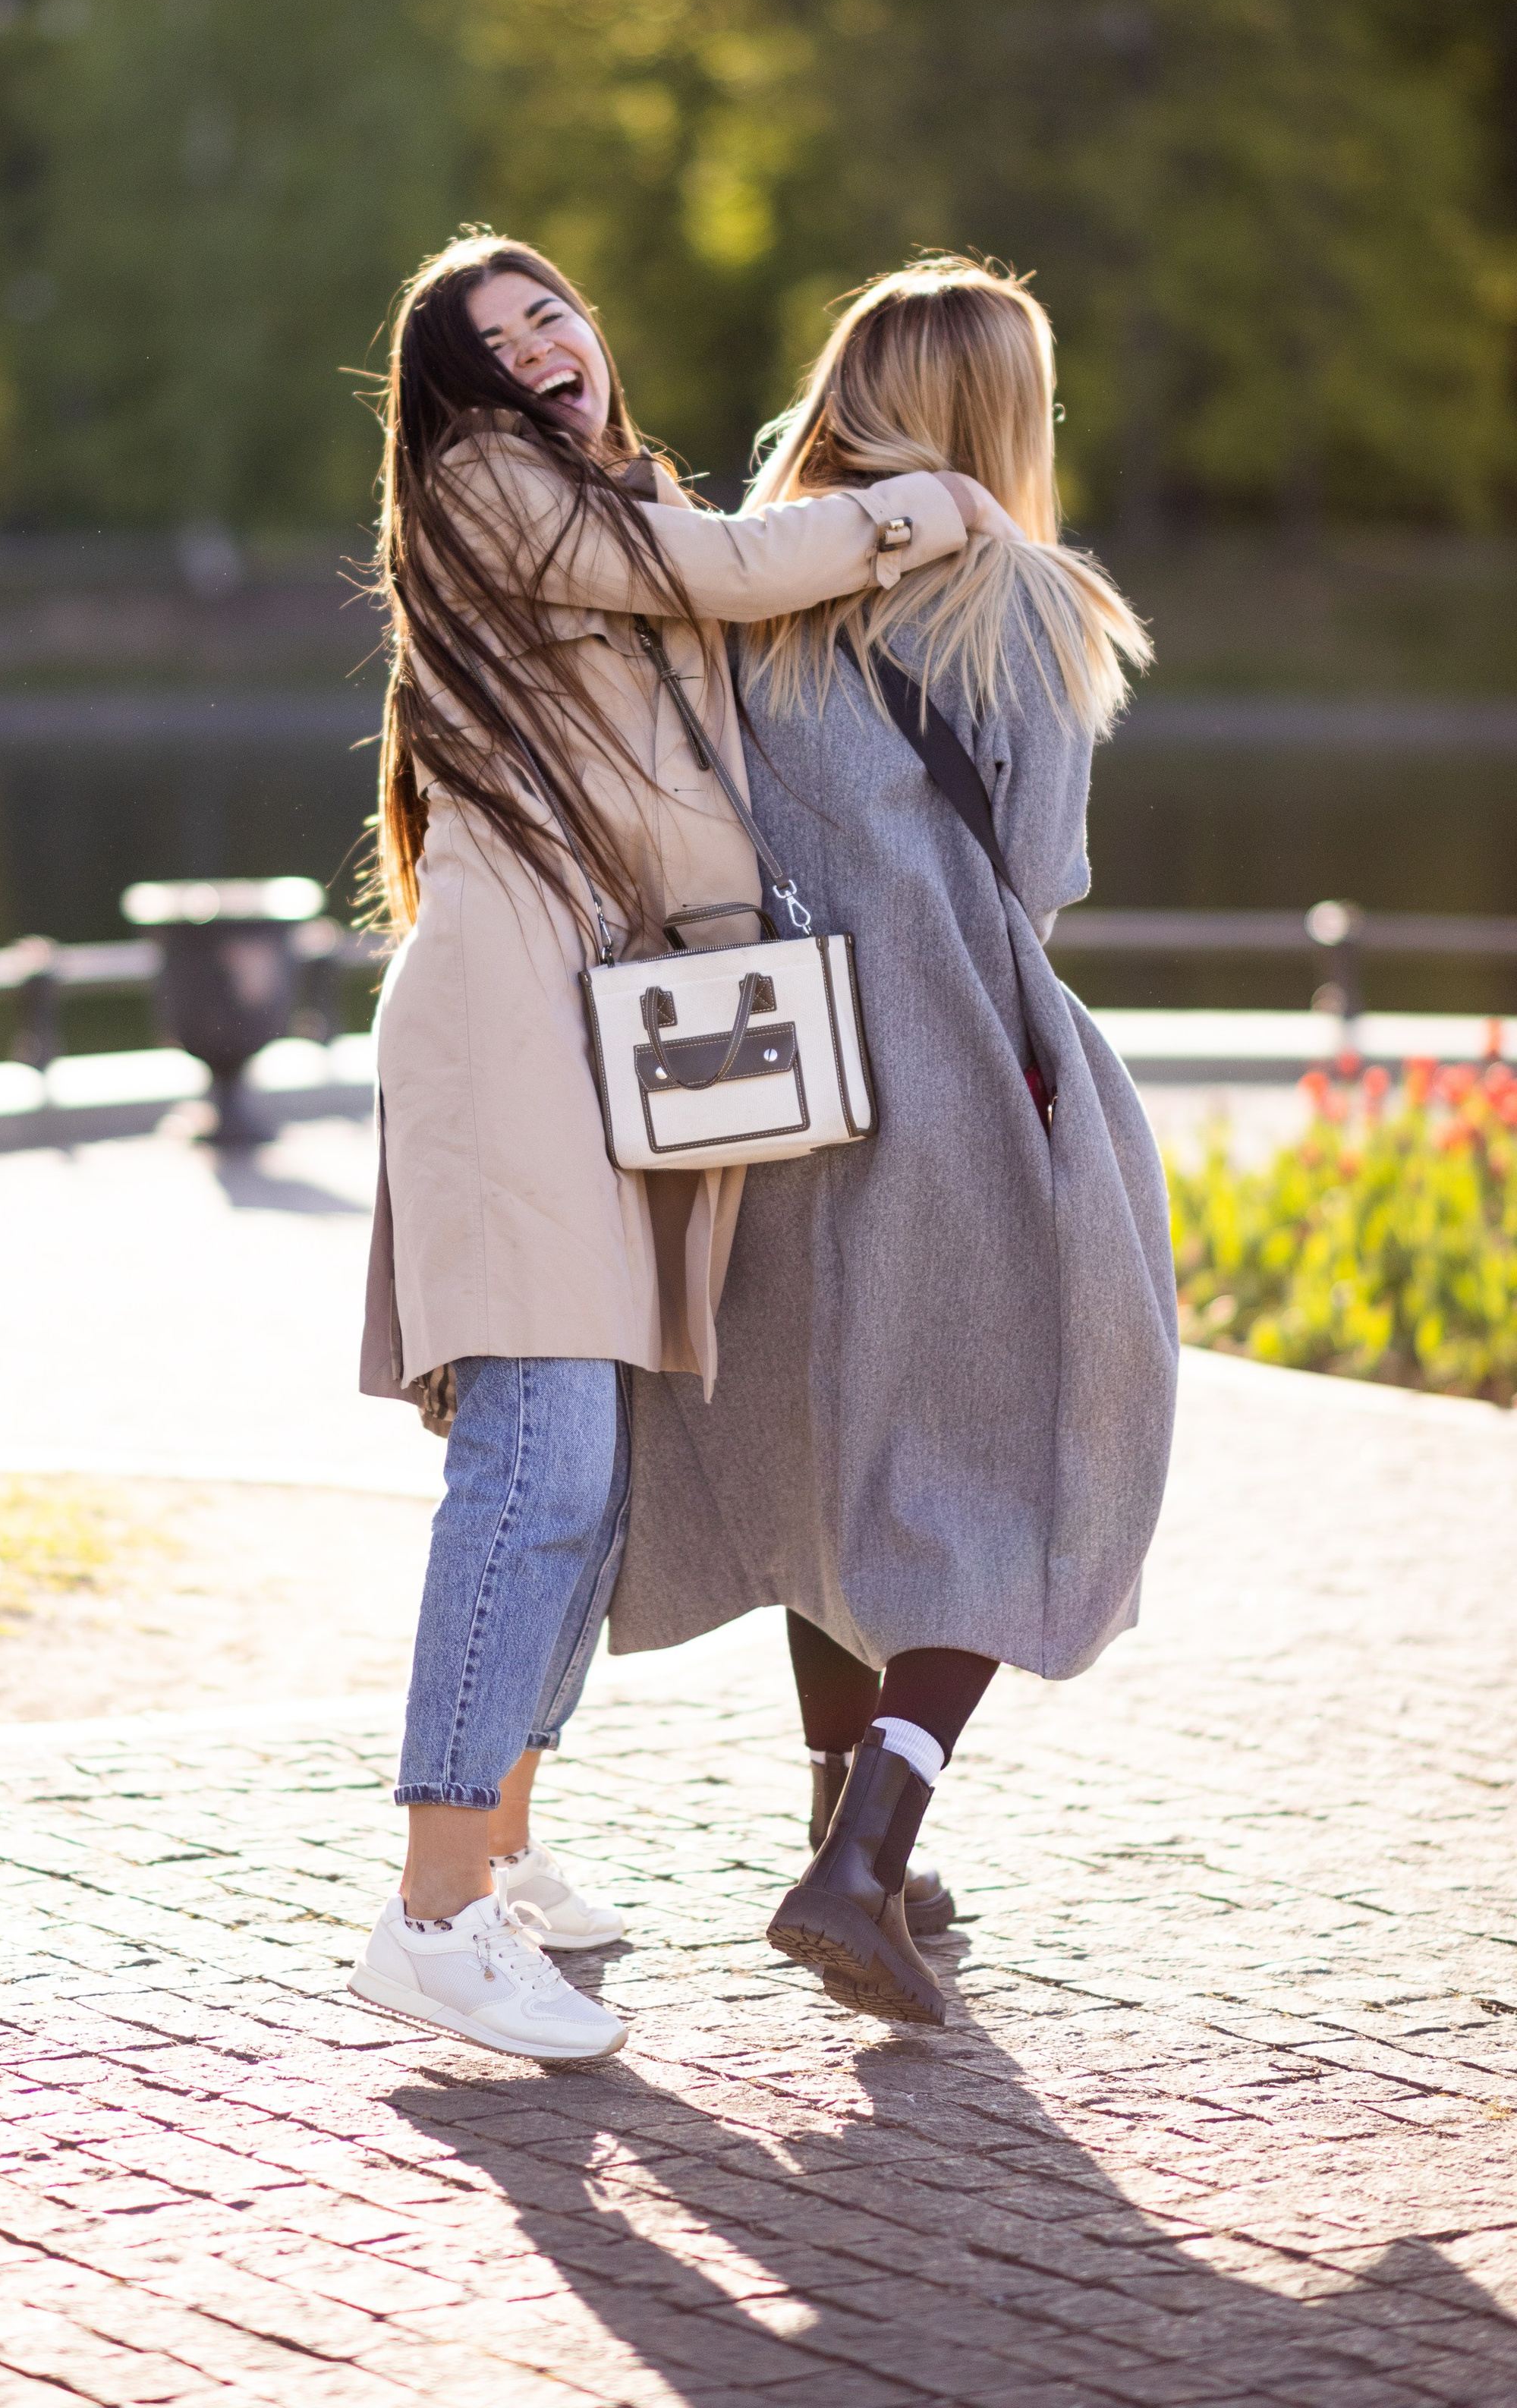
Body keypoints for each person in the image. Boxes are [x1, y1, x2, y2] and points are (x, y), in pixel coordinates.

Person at [348, 231, 987, 2063]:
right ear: (458, 396)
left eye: (550, 310)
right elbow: (726, 572)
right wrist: (926, 504)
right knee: (532, 1470)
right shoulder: (490, 487)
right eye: (497, 339)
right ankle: (431, 1913)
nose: (540, 345)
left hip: (583, 1028)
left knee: (584, 1473)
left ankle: (497, 1851)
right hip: (505, 1027)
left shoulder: (595, 505)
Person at [612, 257, 1178, 2026]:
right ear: (997, 416)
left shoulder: (743, 589)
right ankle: (862, 1861)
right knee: (1019, 1452)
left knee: (827, 1446)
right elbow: (1041, 873)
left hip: (766, 1083)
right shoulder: (1025, 603)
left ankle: (838, 1825)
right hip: (949, 1080)